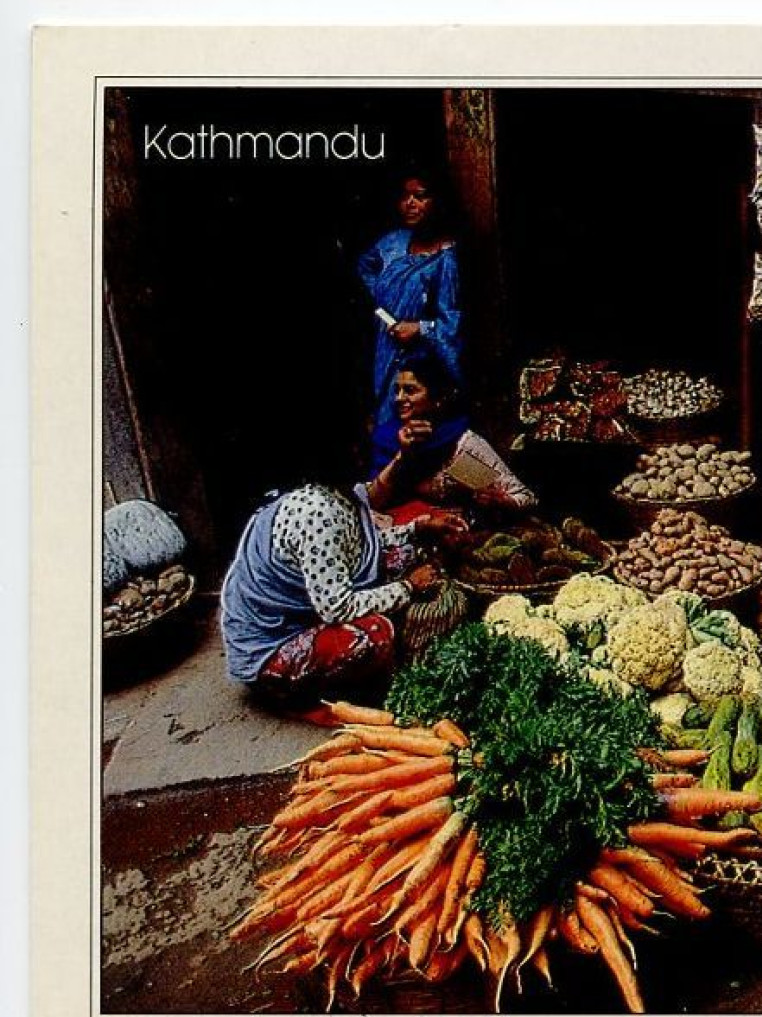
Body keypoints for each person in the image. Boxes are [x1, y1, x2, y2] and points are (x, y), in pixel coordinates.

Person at [220, 472, 465, 707]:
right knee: (374, 635)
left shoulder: (339, 494)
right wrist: (408, 587)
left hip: (312, 602)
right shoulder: (317, 513)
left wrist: (416, 530)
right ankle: (304, 695)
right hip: (274, 640)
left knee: (407, 553)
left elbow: (355, 547)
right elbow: (337, 607)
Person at [357, 171, 463, 469]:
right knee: (382, 426)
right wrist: (384, 299)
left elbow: (453, 323)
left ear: (438, 202)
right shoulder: (393, 243)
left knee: (416, 437)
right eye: (405, 197)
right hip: (384, 351)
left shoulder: (448, 259)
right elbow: (364, 268)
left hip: (420, 362)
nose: (410, 204)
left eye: (420, 196)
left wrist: (420, 328)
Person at [366, 354, 538, 526]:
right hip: (401, 533)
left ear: (437, 399)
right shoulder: (387, 439)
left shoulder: (460, 444)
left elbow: (525, 497)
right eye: (397, 390)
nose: (399, 398)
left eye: (410, 391)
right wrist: (403, 455)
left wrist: (499, 501)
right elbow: (372, 502)